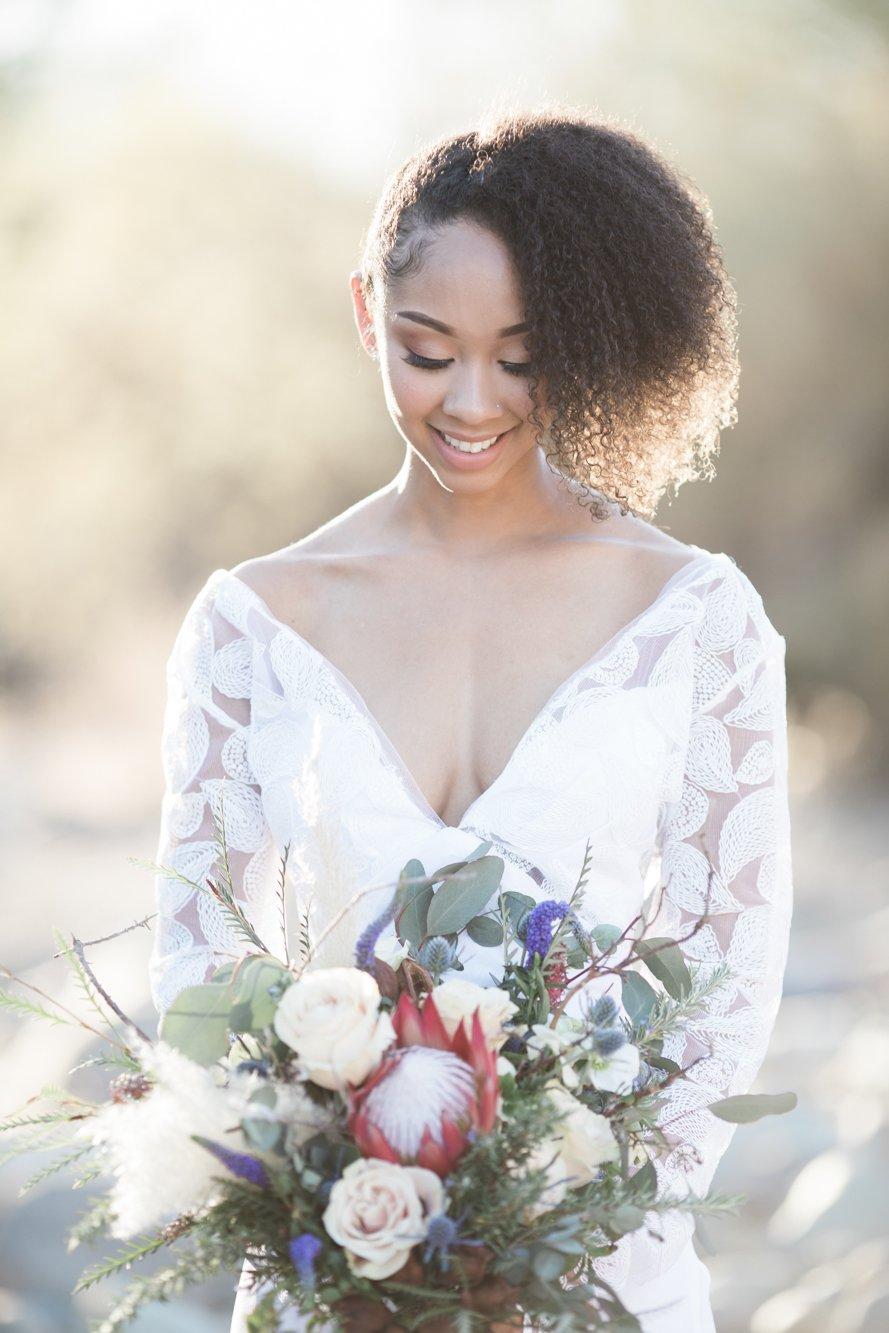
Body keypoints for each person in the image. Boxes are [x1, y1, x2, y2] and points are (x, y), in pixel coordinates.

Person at [148, 106, 793, 1332]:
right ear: (362, 316)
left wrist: (540, 1230)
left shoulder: (694, 616)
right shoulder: (252, 626)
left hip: (594, 1274)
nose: (473, 403)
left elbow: (722, 987)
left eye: (524, 353)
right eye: (427, 350)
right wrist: (343, 1206)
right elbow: (199, 968)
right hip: (334, 1274)